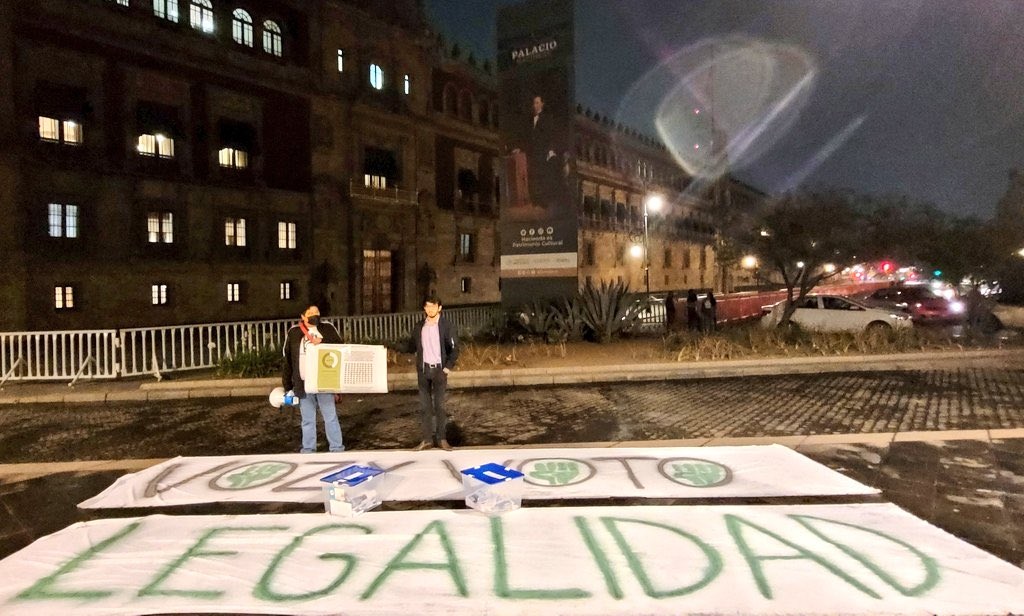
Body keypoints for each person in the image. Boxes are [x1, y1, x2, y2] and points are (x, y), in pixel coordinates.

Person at [281, 305, 345, 453]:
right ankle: (308, 449)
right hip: (303, 383)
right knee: (307, 419)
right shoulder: (294, 332)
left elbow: (341, 349)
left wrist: (322, 343)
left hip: (323, 381)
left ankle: (337, 448)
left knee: (330, 416)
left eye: (317, 312)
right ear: (303, 316)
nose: (315, 315)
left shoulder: (328, 329)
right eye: (311, 313)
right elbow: (288, 360)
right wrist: (288, 386)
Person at [404, 294, 459, 451]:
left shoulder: (446, 326)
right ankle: (427, 439)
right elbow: (410, 346)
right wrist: (386, 348)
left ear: (439, 308)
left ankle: (442, 439)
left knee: (440, 406)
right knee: (425, 407)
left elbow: (455, 348)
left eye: (433, 306)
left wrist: (447, 367)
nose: (430, 309)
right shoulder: (419, 327)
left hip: (439, 371)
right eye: (428, 306)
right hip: (423, 371)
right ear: (424, 308)